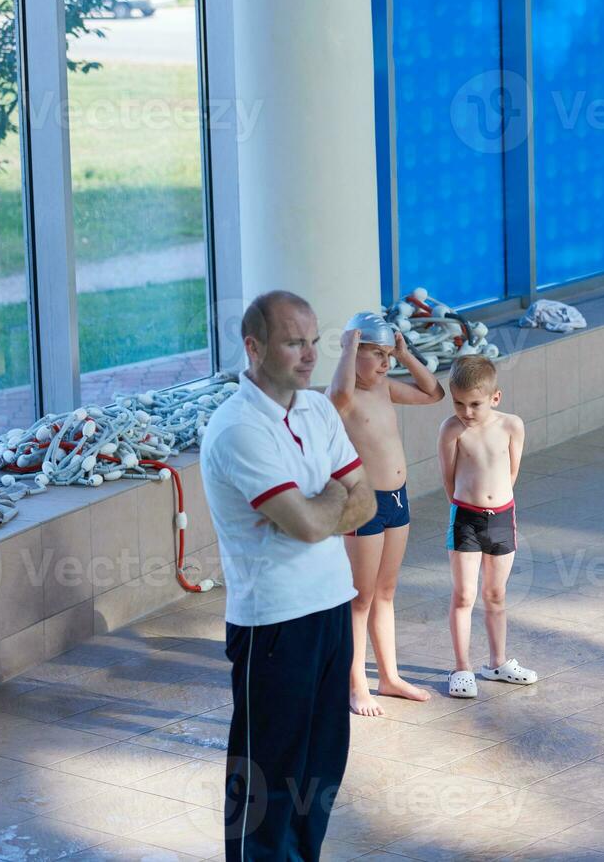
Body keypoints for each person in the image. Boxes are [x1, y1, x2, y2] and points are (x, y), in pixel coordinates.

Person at [200, 290, 377, 861]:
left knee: (320, 768)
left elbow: (368, 502)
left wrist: (320, 504)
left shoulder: (318, 408)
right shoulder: (238, 430)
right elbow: (303, 524)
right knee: (267, 776)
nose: (309, 355)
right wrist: (330, 497)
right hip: (273, 623)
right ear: (254, 348)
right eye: (293, 342)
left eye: (314, 341)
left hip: (330, 607)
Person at [327, 313, 445, 716]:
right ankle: (356, 682)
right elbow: (339, 394)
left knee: (386, 592)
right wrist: (347, 348)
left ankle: (389, 677)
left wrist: (405, 353)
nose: (384, 363)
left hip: (397, 499)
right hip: (362, 503)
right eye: (375, 354)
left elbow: (433, 393)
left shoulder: (384, 387)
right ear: (353, 352)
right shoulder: (344, 394)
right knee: (360, 598)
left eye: (386, 355)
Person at [437, 354, 538, 699]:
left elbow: (512, 472)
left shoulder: (512, 425)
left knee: (496, 594)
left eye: (475, 404)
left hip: (502, 518)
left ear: (495, 398)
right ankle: (461, 667)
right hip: (465, 518)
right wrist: (470, 503)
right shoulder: (452, 429)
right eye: (459, 403)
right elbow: (448, 479)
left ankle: (497, 662)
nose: (466, 412)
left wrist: (496, 502)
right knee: (464, 594)